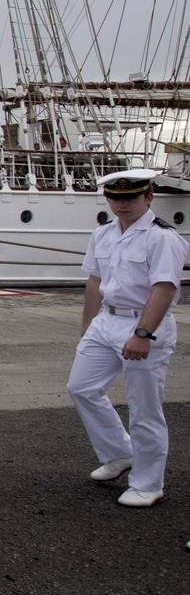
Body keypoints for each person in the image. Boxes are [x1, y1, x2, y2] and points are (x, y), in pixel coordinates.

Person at [66, 168, 188, 508]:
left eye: (130, 197)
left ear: (148, 197)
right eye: (115, 197)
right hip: (106, 321)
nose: (121, 204)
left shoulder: (162, 238)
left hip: (143, 323)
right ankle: (120, 452)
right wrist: (88, 326)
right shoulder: (103, 234)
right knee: (81, 387)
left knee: (144, 408)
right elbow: (94, 281)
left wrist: (143, 334)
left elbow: (164, 288)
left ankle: (149, 483)